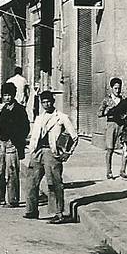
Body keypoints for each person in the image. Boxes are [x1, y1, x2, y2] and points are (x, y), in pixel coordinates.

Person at [23, 91, 78, 223]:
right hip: (37, 152)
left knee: (54, 183)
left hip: (52, 153)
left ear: (53, 102)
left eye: (48, 101)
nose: (46, 104)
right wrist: (32, 150)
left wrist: (67, 153)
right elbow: (34, 136)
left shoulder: (61, 117)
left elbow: (74, 137)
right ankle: (32, 210)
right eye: (44, 102)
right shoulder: (39, 118)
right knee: (31, 181)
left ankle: (58, 213)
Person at [0, 82, 30, 208]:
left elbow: (25, 128)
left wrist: (17, 140)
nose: (6, 98)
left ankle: (13, 200)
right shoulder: (4, 109)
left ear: (13, 95)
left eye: (8, 95)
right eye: (4, 95)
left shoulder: (19, 110)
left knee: (12, 172)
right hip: (4, 143)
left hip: (14, 144)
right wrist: (2, 140)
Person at [99, 77, 126, 179]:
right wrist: (107, 111)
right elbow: (99, 113)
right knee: (110, 149)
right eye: (115, 88)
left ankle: (122, 171)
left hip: (122, 125)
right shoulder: (107, 100)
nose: (118, 90)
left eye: (119, 88)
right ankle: (109, 171)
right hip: (111, 125)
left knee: (125, 148)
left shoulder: (123, 100)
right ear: (111, 88)